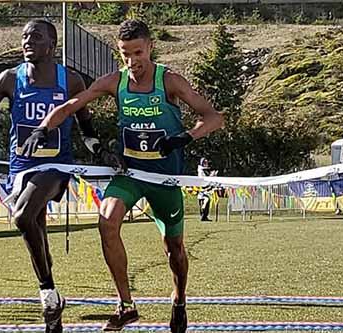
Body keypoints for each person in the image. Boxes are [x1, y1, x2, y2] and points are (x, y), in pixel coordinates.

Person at [29, 20, 224, 333]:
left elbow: (214, 117)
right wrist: (42, 128)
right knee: (106, 219)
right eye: (125, 54)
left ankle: (179, 298)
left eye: (138, 52)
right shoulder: (115, 82)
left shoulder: (169, 81)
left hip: (165, 179)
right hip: (130, 173)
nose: (133, 61)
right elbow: (71, 105)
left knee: (174, 248)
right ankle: (126, 304)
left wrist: (183, 138)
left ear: (150, 47)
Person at [0, 20, 112, 333]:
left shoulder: (70, 80)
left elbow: (86, 130)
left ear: (52, 45)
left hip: (56, 166)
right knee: (34, 230)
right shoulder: (9, 78)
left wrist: (100, 152)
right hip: (21, 167)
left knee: (22, 217)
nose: (27, 41)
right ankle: (53, 299)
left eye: (36, 36)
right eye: (25, 36)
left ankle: (46, 291)